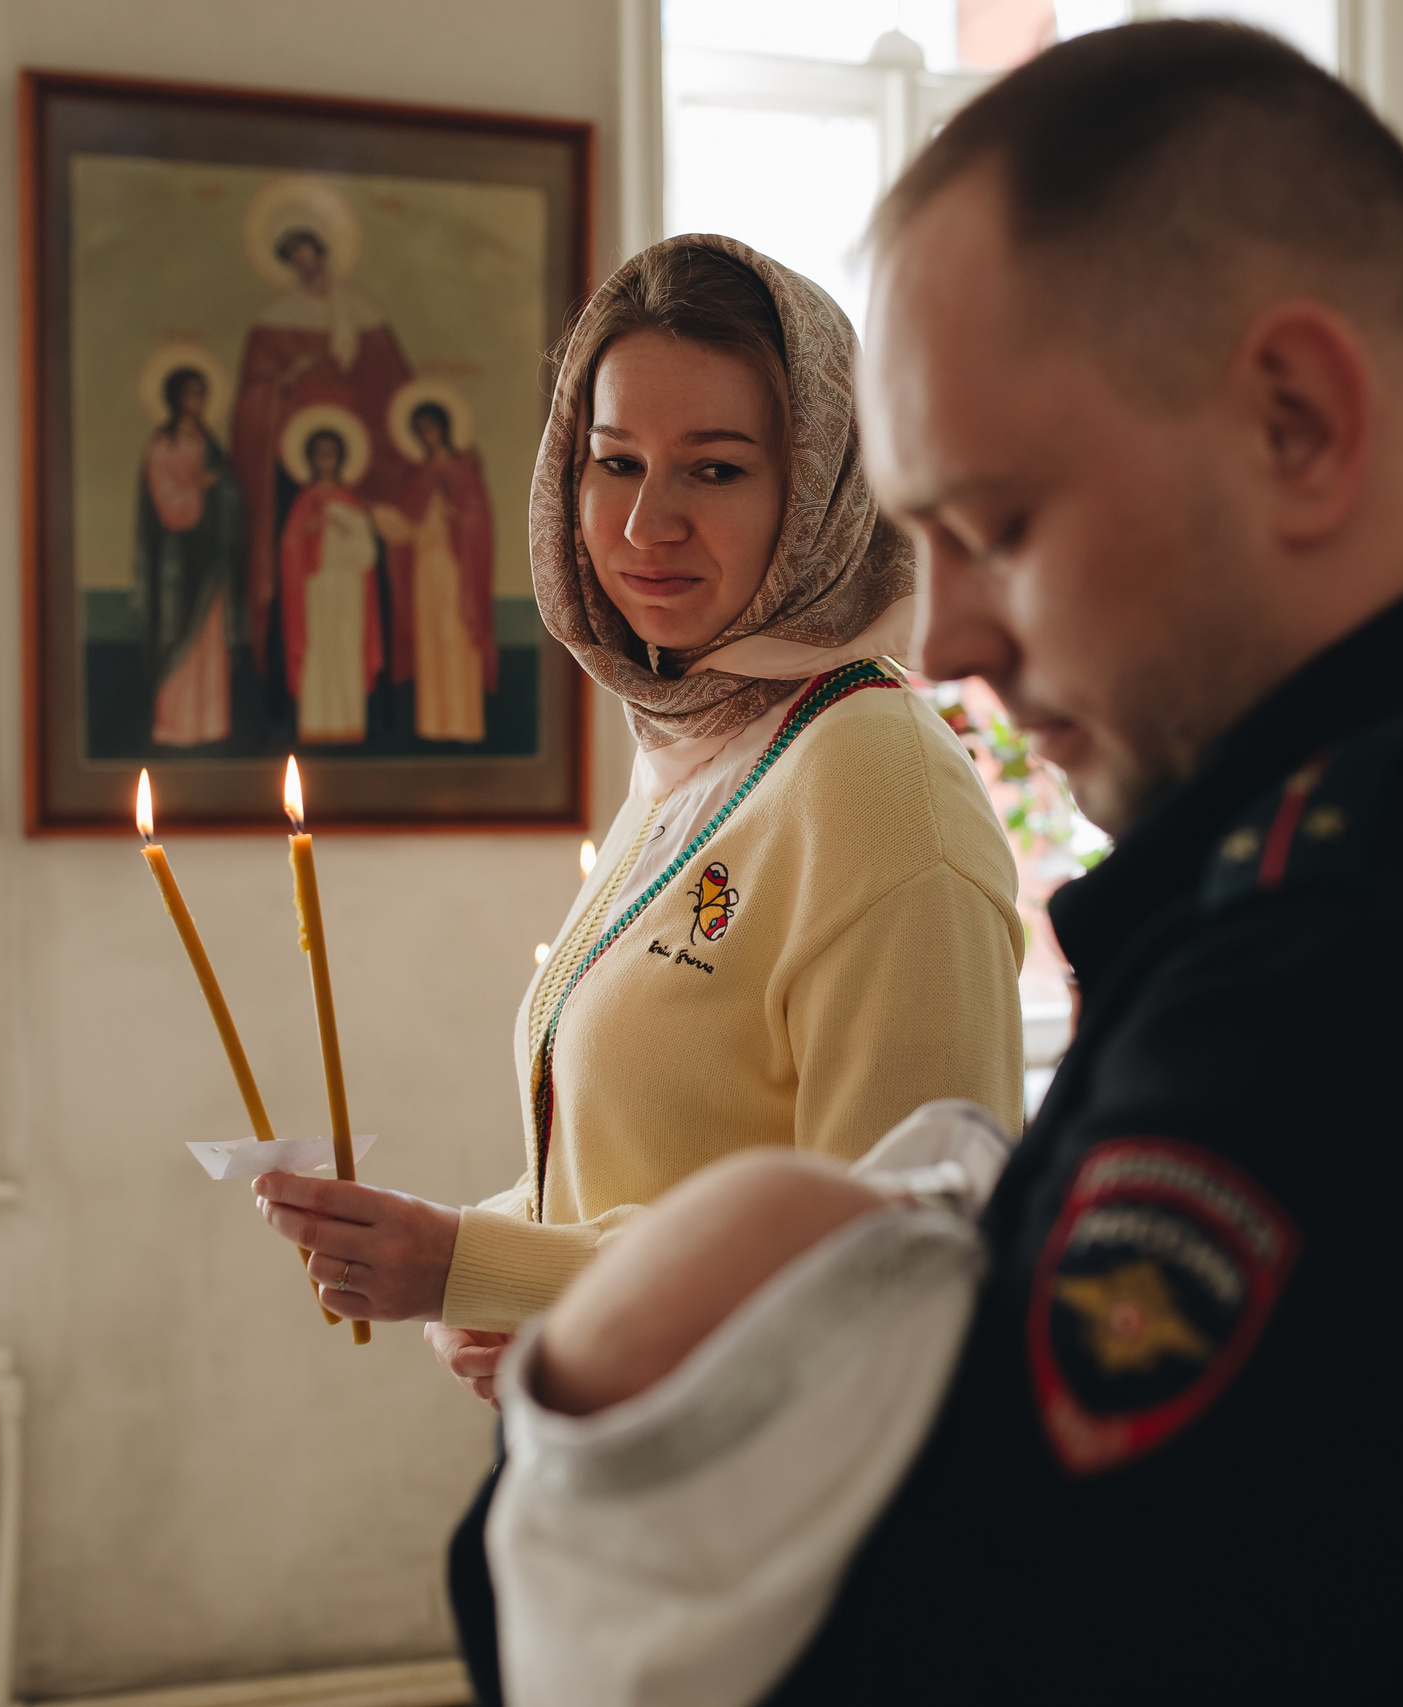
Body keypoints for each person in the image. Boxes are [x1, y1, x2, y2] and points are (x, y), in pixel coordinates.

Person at [451, 23, 1403, 1707]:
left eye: (998, 525)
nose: (947, 636)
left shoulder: (1390, 957)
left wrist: (584, 1444)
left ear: (1297, 420)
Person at [248, 234, 1026, 1391]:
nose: (642, 524)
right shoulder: (705, 741)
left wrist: (477, 1264)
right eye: (615, 462)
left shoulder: (874, 780)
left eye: (713, 469)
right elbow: (653, 1166)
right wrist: (476, 1259)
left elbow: (895, 1259)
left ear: (817, 487)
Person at [232, 179, 416, 714]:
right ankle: (288, 695)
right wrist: (286, 381)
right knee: (297, 565)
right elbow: (253, 400)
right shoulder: (273, 320)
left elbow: (393, 389)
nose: (305, 265)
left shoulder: (359, 312)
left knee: (365, 573)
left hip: (357, 458)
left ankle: (370, 697)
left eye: (310, 253)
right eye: (294, 258)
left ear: (325, 254)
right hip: (293, 463)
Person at [373, 385, 497, 743]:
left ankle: (463, 724)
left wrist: (457, 516)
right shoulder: (416, 476)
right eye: (420, 430)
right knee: (432, 643)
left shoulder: (464, 471)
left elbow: (478, 520)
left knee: (456, 639)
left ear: (444, 429)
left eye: (431, 428)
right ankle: (434, 724)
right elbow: (401, 525)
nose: (426, 436)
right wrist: (376, 514)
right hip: (424, 571)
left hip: (457, 569)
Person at [133, 358, 246, 748]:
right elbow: (167, 504)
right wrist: (200, 485)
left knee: (208, 641)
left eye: (202, 394)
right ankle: (177, 725)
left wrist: (221, 487)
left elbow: (231, 491)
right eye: (191, 394)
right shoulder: (162, 445)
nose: (198, 401)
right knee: (178, 637)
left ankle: (211, 722)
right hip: (178, 561)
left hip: (211, 558)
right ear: (175, 398)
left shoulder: (208, 443)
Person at [276, 409, 381, 744]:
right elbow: (289, 547)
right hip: (315, 590)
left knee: (347, 650)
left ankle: (349, 724)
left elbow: (367, 553)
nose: (325, 459)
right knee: (318, 654)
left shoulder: (351, 502)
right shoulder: (303, 502)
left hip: (348, 588)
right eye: (319, 453)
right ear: (310, 458)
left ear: (341, 457)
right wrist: (306, 533)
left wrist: (345, 528)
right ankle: (318, 725)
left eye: (331, 453)